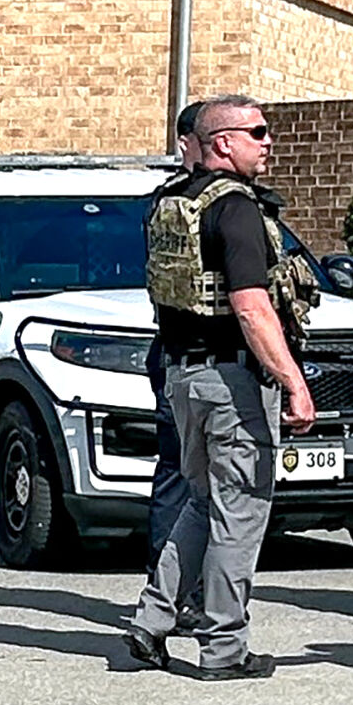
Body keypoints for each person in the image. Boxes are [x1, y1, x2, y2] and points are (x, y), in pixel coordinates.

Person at [125, 94, 319, 680]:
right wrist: (293, 382)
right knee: (241, 513)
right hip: (233, 380)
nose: (268, 142)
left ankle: (152, 620)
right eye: (257, 132)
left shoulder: (170, 203)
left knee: (204, 503)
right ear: (223, 143)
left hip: (184, 375)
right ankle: (224, 648)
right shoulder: (235, 208)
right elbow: (252, 307)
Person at [144, 101, 204, 625]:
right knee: (180, 476)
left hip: (195, 356)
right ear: (187, 142)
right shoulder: (174, 204)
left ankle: (187, 592)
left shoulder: (215, 200)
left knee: (205, 482)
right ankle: (172, 594)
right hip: (184, 352)